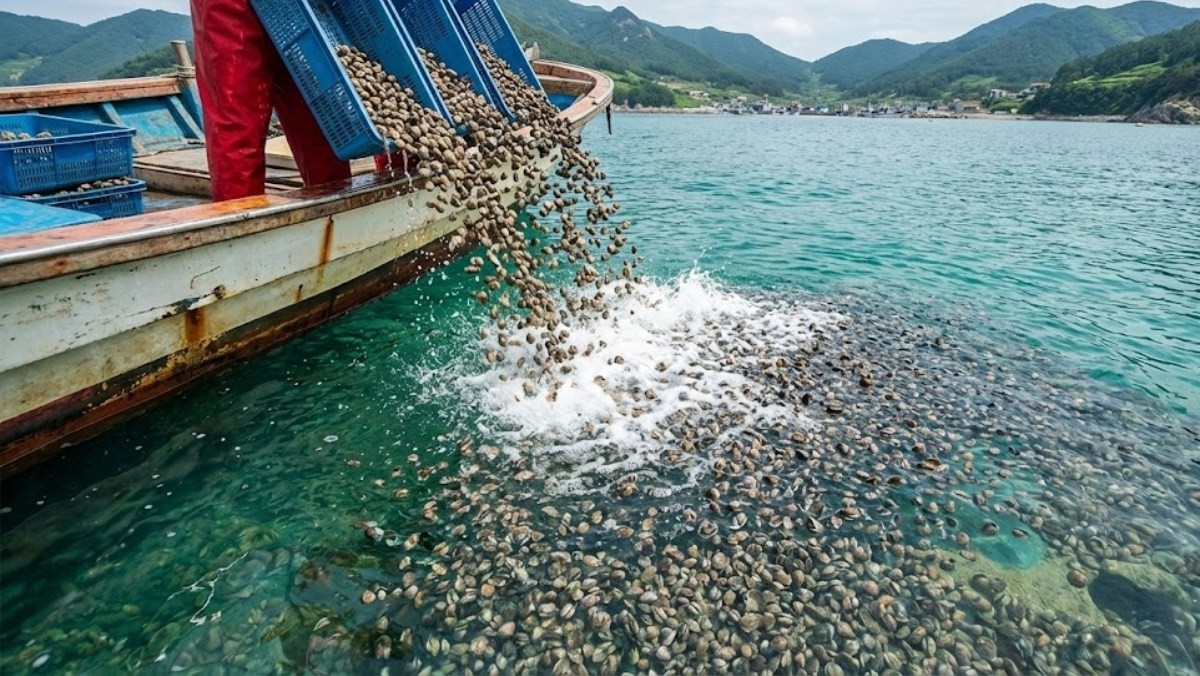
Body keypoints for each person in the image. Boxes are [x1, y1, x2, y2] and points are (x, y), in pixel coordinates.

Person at [190, 0, 351, 202]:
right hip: (231, 9)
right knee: (236, 134)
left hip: (302, 9)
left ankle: (337, 213)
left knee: (322, 123)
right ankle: (243, 224)